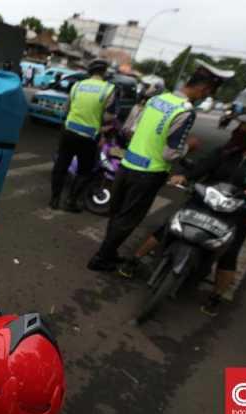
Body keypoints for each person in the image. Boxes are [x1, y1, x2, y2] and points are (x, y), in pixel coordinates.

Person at [118, 107, 246, 317]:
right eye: (242, 124)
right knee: (169, 227)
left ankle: (216, 297)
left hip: (236, 211)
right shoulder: (228, 149)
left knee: (229, 253)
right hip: (205, 199)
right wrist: (185, 177)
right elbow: (205, 165)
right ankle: (134, 260)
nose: (241, 128)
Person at [88, 60, 235, 272]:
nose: (205, 97)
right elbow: (170, 153)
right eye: (208, 93)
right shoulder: (185, 111)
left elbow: (131, 130)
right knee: (128, 219)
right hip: (148, 174)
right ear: (203, 88)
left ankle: (108, 252)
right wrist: (189, 147)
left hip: (127, 164)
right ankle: (101, 258)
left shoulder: (157, 99)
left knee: (118, 214)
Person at [50, 59, 117, 212]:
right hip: (89, 137)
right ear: (104, 73)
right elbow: (109, 117)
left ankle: (54, 200)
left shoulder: (77, 86)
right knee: (84, 171)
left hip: (69, 132)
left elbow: (66, 109)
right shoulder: (108, 89)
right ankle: (70, 202)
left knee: (61, 166)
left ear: (90, 72)